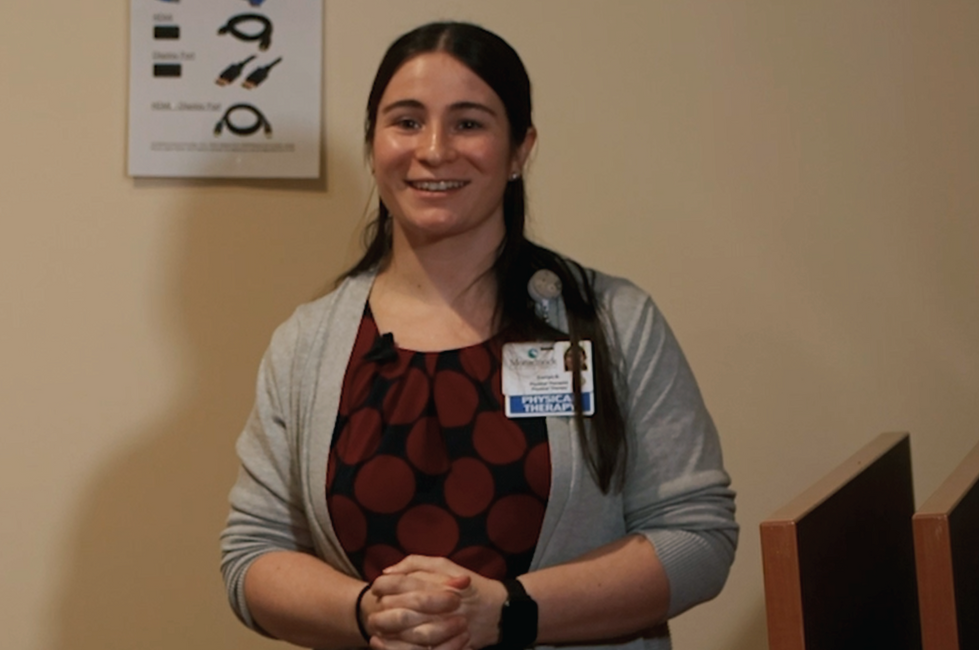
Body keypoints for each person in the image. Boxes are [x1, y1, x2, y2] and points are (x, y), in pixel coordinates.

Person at [221, 21, 737, 650]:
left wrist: (509, 611)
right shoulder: (308, 345)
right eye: (406, 121)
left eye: (469, 123)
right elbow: (254, 553)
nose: (434, 149)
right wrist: (367, 613)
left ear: (520, 150)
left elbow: (697, 537)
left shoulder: (613, 321)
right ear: (373, 142)